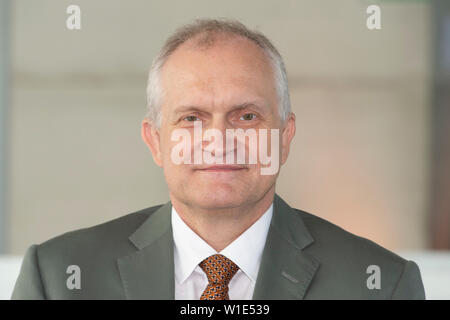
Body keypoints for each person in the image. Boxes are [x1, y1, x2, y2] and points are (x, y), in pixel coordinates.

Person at [11, 18, 425, 300]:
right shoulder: (57, 279)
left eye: (246, 116)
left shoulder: (380, 285)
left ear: (284, 137)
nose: (219, 140)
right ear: (155, 141)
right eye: (191, 118)